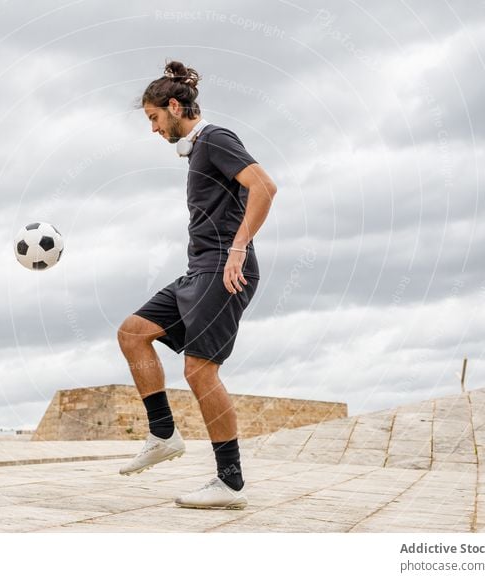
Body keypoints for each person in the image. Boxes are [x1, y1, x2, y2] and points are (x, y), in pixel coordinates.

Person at [117, 60, 277, 509]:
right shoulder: (199, 148)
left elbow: (265, 186)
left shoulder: (215, 139)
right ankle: (163, 433)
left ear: (173, 106)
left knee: (200, 371)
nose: (152, 129)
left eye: (153, 118)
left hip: (223, 269)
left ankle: (230, 482)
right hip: (199, 269)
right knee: (133, 332)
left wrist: (240, 247)